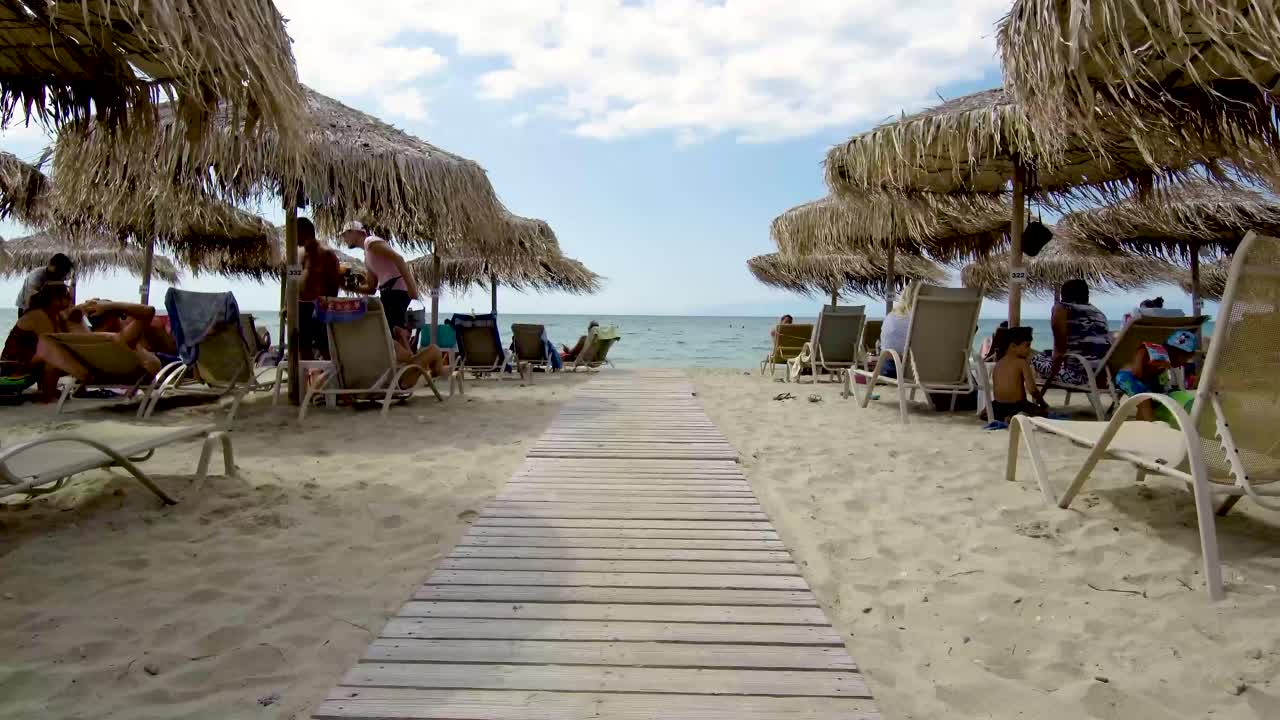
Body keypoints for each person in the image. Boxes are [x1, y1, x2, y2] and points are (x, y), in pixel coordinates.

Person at [1, 287, 159, 401]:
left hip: (98, 371)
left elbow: (66, 329)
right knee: (48, 348)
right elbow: (148, 311)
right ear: (114, 318)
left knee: (50, 351)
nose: (70, 301)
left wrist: (78, 312)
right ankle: (50, 393)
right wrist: (111, 306)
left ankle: (48, 395)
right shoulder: (121, 339)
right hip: (140, 374)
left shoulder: (88, 346)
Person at [340, 221, 420, 341]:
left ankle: (411, 357)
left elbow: (398, 258)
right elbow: (371, 288)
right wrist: (348, 287)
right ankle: (405, 356)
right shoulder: (367, 257)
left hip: (397, 292)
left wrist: (412, 288)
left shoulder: (371, 242)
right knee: (391, 335)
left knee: (392, 334)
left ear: (355, 232)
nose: (344, 238)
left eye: (345, 234)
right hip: (388, 294)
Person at [1032, 279, 1111, 391]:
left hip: (1077, 376)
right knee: (1046, 354)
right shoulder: (1099, 314)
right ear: (1086, 295)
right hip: (1100, 377)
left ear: (1064, 295)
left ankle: (1032, 398)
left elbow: (1060, 352)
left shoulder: (1061, 309)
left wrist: (1050, 378)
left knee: (1034, 358)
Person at [1114, 330, 1198, 423]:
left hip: (1141, 380)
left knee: (1147, 400)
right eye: (1185, 358)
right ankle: (1151, 423)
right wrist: (1137, 367)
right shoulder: (1160, 351)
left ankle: (1140, 425)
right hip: (1126, 376)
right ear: (1176, 352)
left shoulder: (1166, 361)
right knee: (1144, 398)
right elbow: (1143, 348)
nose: (1185, 362)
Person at [297, 217, 342, 359]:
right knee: (302, 348)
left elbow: (335, 283)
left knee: (325, 348)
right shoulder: (298, 254)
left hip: (319, 307)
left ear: (304, 232)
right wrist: (288, 305)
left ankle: (332, 378)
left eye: (294, 233)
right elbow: (293, 280)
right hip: (300, 307)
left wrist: (327, 307)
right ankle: (307, 379)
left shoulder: (326, 253)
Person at [990, 326, 1048, 423]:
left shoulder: (998, 364)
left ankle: (1004, 417)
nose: (1029, 349)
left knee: (994, 411)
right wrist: (1042, 403)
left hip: (998, 406)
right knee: (1043, 413)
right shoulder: (1021, 363)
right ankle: (1016, 416)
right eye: (1027, 345)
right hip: (1018, 405)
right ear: (1013, 346)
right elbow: (1032, 390)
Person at [878, 282, 920, 378]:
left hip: (892, 369)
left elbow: (885, 346)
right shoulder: (928, 319)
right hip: (925, 371)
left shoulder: (891, 316)